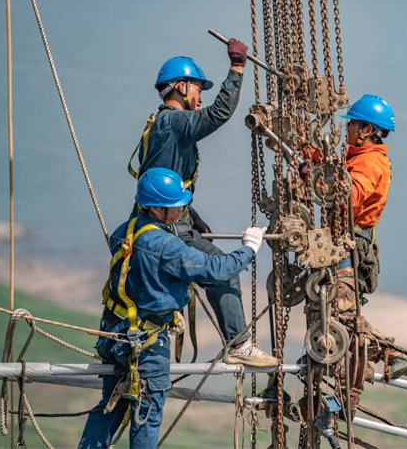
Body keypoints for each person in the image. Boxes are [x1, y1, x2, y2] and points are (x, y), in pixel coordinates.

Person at [79, 168, 268, 448]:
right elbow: (217, 269)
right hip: (145, 345)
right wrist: (249, 249)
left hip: (114, 335)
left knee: (111, 403)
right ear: (155, 207)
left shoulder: (126, 230)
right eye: (175, 206)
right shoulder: (165, 245)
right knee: (147, 411)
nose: (181, 210)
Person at [128, 41, 276, 367]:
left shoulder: (157, 125)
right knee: (222, 271)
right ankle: (238, 345)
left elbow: (165, 179)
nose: (200, 95)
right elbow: (219, 113)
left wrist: (192, 216)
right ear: (181, 87)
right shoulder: (175, 123)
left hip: (157, 218)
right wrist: (237, 67)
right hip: (167, 225)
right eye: (197, 87)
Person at [304, 94, 407, 379]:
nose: (348, 129)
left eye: (353, 124)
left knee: (342, 313)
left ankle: (388, 353)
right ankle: (348, 362)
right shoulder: (358, 157)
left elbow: (349, 197)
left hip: (348, 247)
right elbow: (330, 164)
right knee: (327, 307)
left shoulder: (370, 164)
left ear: (366, 130)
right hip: (340, 243)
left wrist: (315, 174)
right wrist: (305, 151)